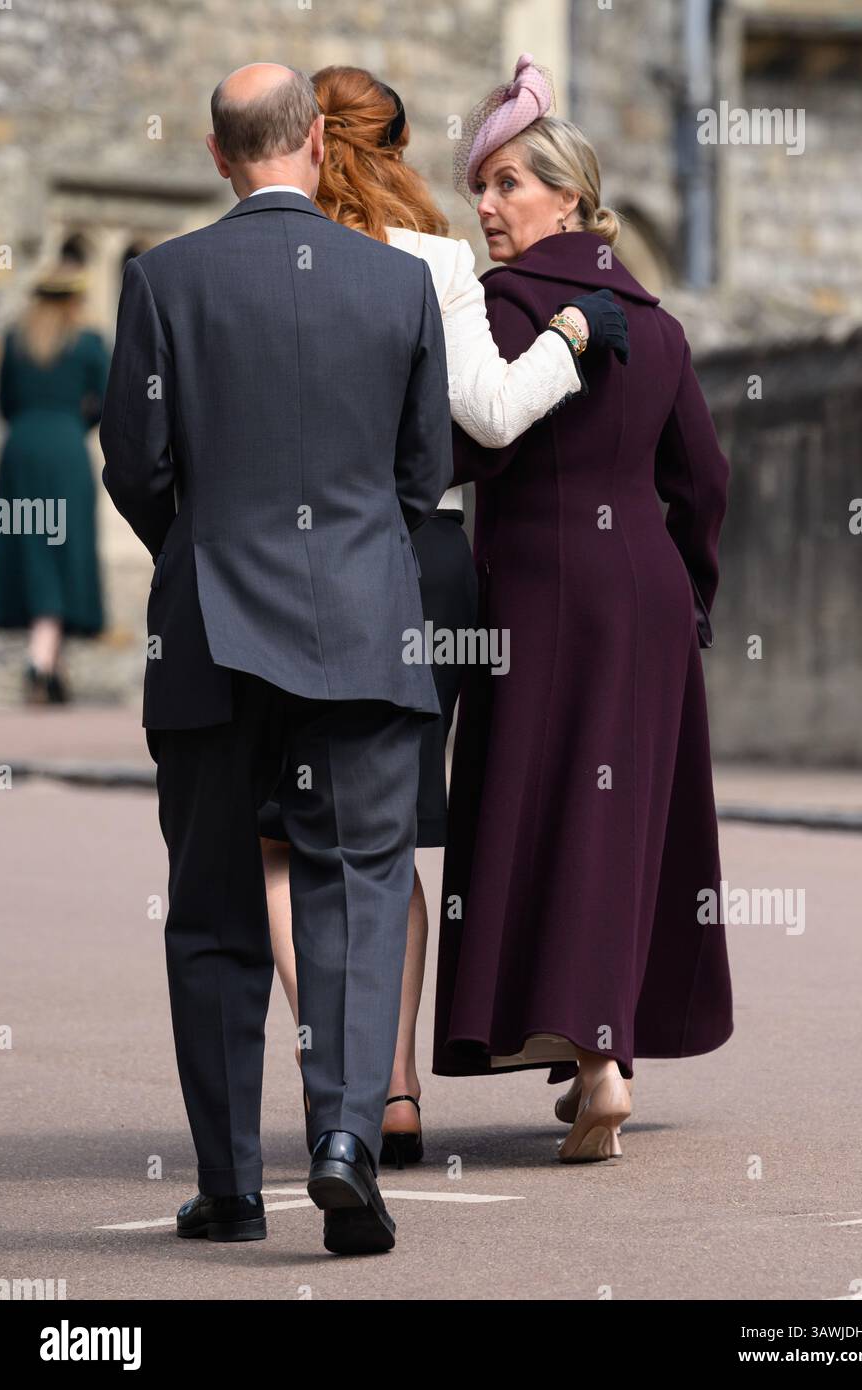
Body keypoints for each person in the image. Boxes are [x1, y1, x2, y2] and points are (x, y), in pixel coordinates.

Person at [100, 62, 452, 1255]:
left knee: (209, 912)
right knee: (356, 892)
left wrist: (198, 549)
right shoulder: (398, 284)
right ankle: (348, 1140)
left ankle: (231, 1185)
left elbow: (135, 466)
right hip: (359, 629)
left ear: (217, 155)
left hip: (205, 634)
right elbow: (419, 476)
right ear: (313, 146)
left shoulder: (162, 279)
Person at [258, 62, 629, 1166]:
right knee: (387, 843)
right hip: (421, 571)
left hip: (284, 569)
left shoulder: (248, 255)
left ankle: (332, 1063)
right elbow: (497, 414)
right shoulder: (433, 262)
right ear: (400, 145)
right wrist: (569, 336)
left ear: (305, 144)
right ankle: (396, 1087)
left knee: (279, 844)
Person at [432, 57, 733, 1162]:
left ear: (566, 195)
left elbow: (458, 450)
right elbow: (705, 478)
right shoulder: (654, 325)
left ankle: (597, 1063)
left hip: (536, 596)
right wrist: (689, 589)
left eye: (509, 184)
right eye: (483, 187)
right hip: (645, 595)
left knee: (546, 816)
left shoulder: (497, 312)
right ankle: (600, 1057)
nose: (488, 206)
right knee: (619, 820)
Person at [0, 265, 109, 703]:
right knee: (64, 547)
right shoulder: (88, 343)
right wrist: (77, 421)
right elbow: (108, 398)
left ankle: (50, 666)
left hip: (20, 449)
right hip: (64, 449)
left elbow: (4, 403)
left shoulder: (15, 342)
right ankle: (41, 662)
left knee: (30, 541)